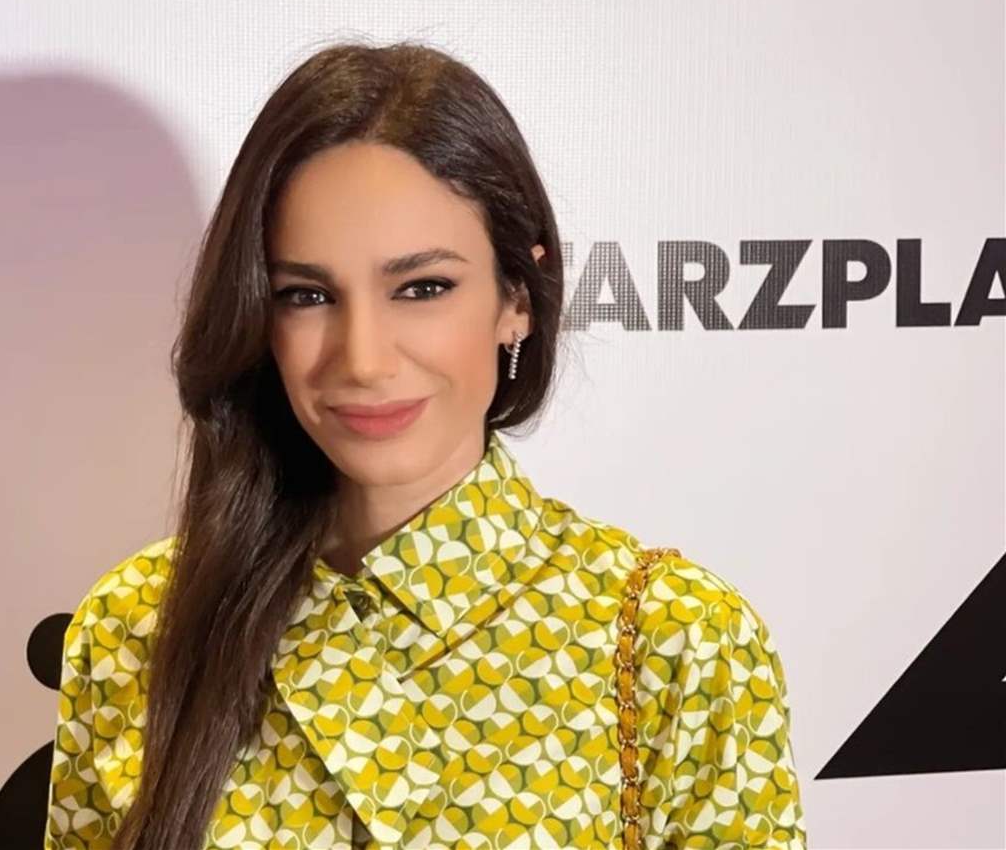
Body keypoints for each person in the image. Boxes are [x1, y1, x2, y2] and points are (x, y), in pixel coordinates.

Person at [43, 41, 807, 850]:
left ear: (518, 296)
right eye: (306, 295)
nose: (364, 359)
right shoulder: (133, 627)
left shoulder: (675, 640)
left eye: (422, 288)